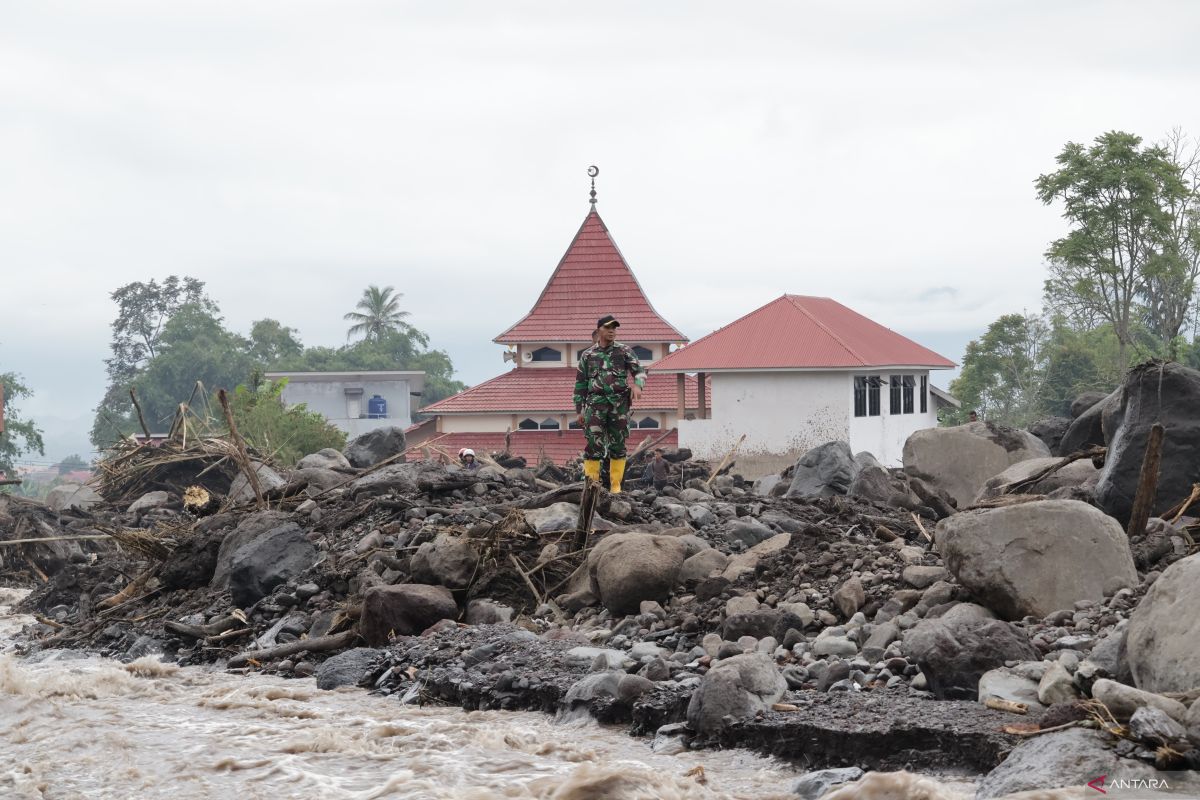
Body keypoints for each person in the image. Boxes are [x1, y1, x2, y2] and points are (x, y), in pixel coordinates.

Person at [574, 314, 646, 493]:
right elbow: (580, 384)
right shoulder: (588, 355)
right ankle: (592, 485)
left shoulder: (624, 351)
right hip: (594, 405)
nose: (612, 331)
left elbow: (640, 371)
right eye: (608, 327)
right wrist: (579, 410)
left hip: (619, 405)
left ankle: (615, 486)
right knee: (593, 445)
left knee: (619, 444)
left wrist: (638, 386)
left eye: (614, 327)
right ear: (599, 330)